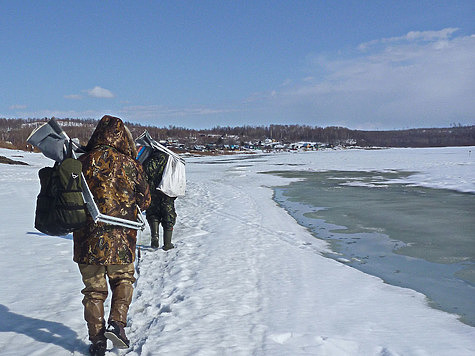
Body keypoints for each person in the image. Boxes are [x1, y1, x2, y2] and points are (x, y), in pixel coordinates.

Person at [73, 115, 151, 356]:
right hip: (122, 239)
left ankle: (97, 342)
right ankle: (117, 324)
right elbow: (146, 200)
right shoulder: (131, 165)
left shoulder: (81, 162)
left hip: (87, 240)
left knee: (94, 292)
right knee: (123, 280)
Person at [142, 148, 177, 250]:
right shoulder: (170, 159)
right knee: (168, 215)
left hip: (153, 192)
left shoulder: (149, 160)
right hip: (167, 192)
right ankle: (167, 244)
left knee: (153, 214)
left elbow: (144, 175)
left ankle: (155, 237)